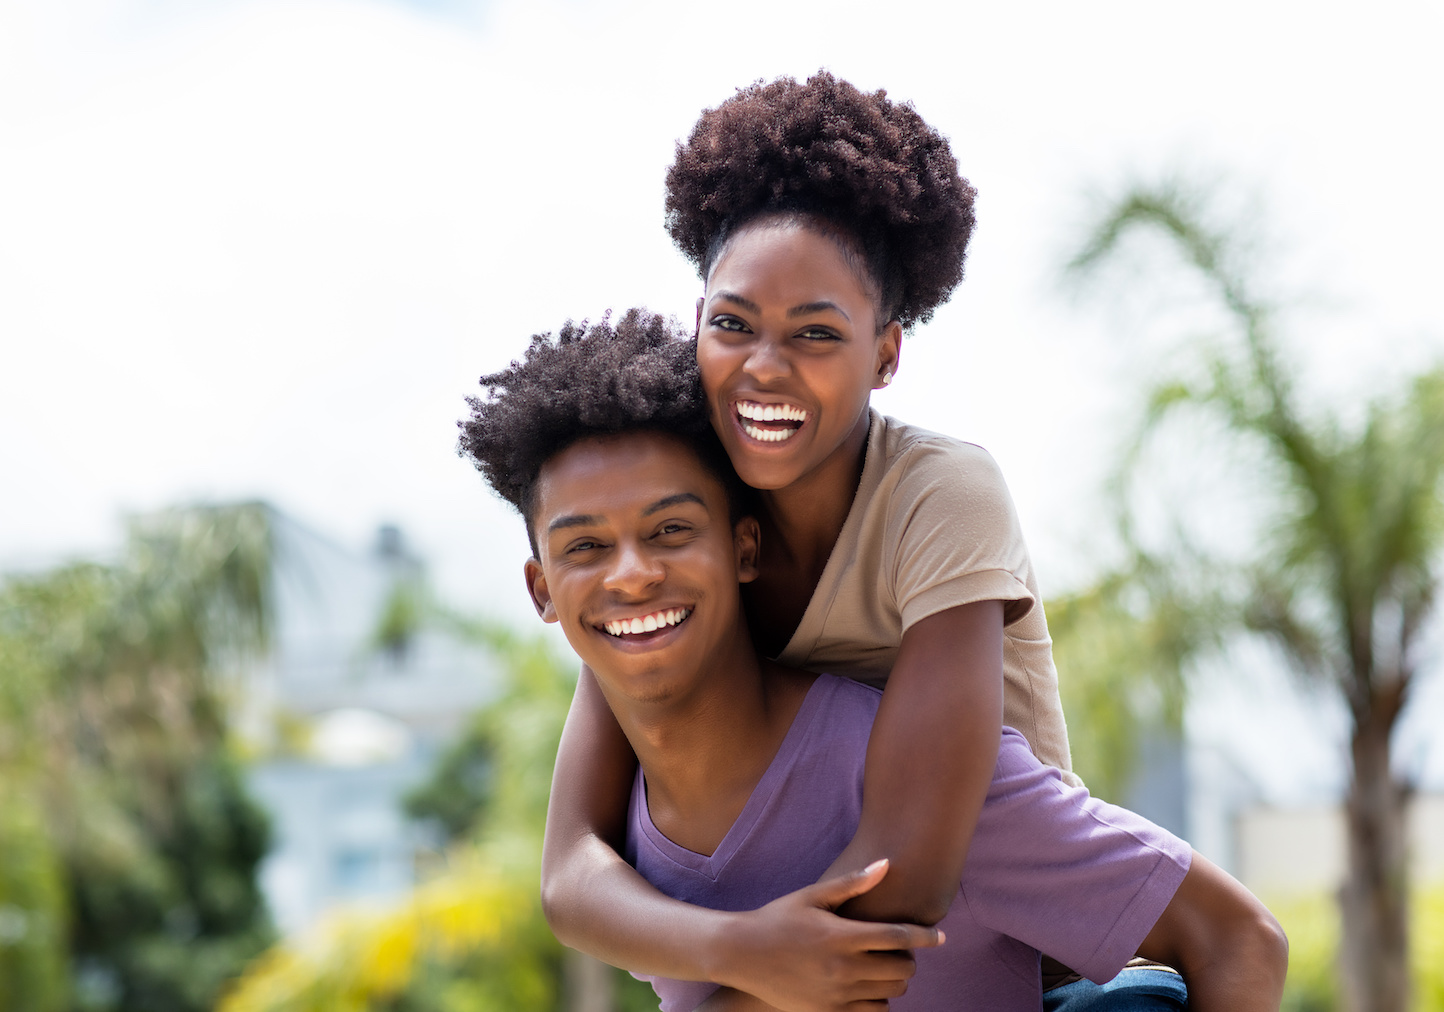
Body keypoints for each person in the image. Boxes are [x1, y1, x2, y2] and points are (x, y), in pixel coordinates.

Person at [540, 72, 1164, 1009]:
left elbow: (908, 868)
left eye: (817, 333)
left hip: (1013, 954)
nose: (764, 367)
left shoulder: (938, 496)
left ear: (886, 352)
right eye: (733, 324)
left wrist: (744, 977)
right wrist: (737, 947)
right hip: (802, 953)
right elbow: (571, 870)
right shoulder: (680, 531)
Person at [458, 311, 1288, 1011]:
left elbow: (1241, 939)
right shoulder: (620, 816)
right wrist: (747, 951)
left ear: (744, 547)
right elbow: (566, 882)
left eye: (673, 530)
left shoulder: (926, 777)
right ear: (542, 589)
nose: (632, 573)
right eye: (586, 547)